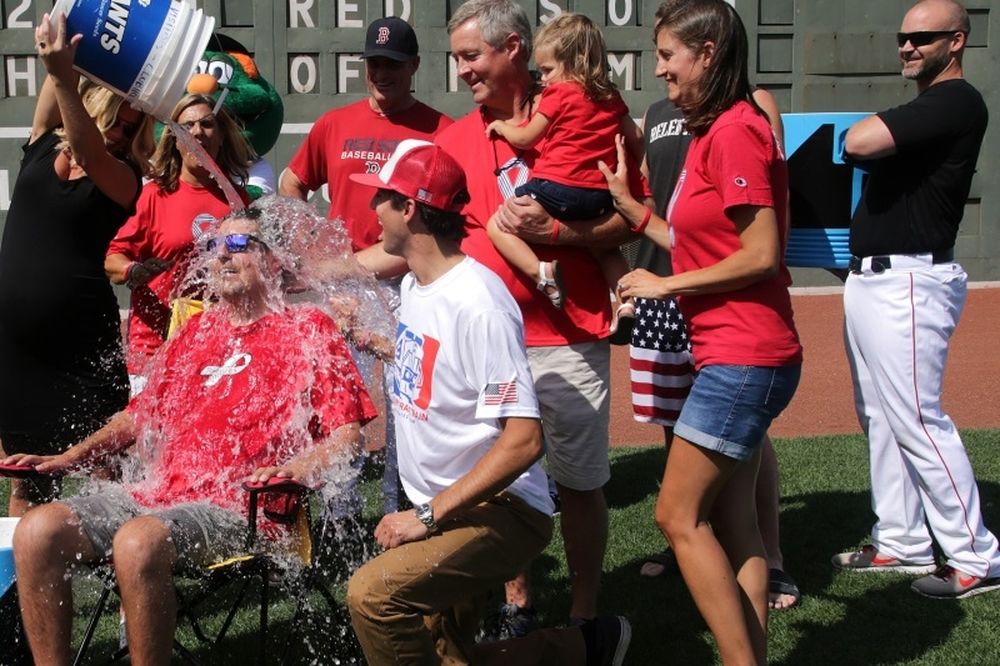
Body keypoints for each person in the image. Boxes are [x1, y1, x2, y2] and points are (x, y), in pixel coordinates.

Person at [6, 206, 378, 665]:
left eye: (239, 245)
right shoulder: (196, 331)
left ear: (275, 261)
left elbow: (348, 437)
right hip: (157, 496)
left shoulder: (308, 330)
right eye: (214, 246)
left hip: (245, 510)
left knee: (139, 540)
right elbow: (138, 417)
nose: (222, 256)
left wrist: (296, 469)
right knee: (37, 530)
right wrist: (69, 456)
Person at [345, 139, 630, 666]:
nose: (371, 209)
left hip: (500, 511)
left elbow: (525, 440)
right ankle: (584, 648)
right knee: (449, 655)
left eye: (381, 197)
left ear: (409, 209)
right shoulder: (415, 284)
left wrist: (426, 516)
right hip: (451, 505)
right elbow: (441, 365)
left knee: (374, 596)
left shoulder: (479, 303)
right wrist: (379, 341)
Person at [425, 0, 651, 629]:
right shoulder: (454, 139)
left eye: (473, 56)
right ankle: (514, 604)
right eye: (459, 60)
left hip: (571, 335)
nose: (464, 72)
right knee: (493, 482)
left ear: (515, 51)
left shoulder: (601, 115)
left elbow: (634, 211)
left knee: (579, 484)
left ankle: (583, 613)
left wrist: (559, 233)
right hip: (487, 344)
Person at [602, 0, 801, 662]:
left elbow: (761, 252)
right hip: (735, 354)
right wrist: (634, 212)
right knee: (734, 522)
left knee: (675, 515)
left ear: (707, 54)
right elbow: (694, 238)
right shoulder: (712, 132)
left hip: (745, 357)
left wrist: (665, 283)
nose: (657, 69)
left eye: (666, 55)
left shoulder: (739, 128)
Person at [831, 0, 1000, 599]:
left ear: (956, 41)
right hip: (875, 278)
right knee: (882, 417)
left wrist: (858, 138)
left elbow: (860, 139)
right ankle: (902, 541)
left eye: (921, 38)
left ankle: (975, 556)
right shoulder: (929, 105)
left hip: (909, 281)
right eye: (903, 37)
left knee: (919, 419)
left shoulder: (955, 100)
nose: (907, 46)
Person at [279, 16, 452, 515]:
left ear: (414, 66)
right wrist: (311, 243)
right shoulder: (335, 123)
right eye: (374, 63)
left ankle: (406, 509)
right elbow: (293, 181)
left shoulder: (440, 129)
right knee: (339, 408)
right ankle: (341, 518)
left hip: (407, 285)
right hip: (343, 288)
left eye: (393, 64)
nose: (382, 72)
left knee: (407, 409)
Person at [0, 12, 155, 516]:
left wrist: (65, 75)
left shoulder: (125, 176)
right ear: (97, 101)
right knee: (26, 478)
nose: (122, 130)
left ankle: (126, 573)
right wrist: (62, 50)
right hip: (19, 350)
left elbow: (88, 149)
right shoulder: (43, 142)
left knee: (106, 471)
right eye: (120, 118)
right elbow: (56, 62)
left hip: (81, 348)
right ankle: (20, 589)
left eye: (134, 127)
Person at [484, 13, 639, 338]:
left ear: (574, 62)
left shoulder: (560, 94)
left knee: (498, 224)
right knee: (605, 249)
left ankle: (542, 274)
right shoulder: (610, 97)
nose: (544, 80)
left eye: (547, 71)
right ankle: (627, 302)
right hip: (599, 195)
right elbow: (635, 137)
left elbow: (528, 138)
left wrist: (502, 127)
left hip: (556, 188)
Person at [105, 93, 253, 391]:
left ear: (221, 136)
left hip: (216, 348)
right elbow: (112, 259)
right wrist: (135, 271)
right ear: (174, 138)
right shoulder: (154, 195)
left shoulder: (238, 200)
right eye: (188, 126)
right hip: (154, 349)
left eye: (207, 124)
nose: (198, 132)